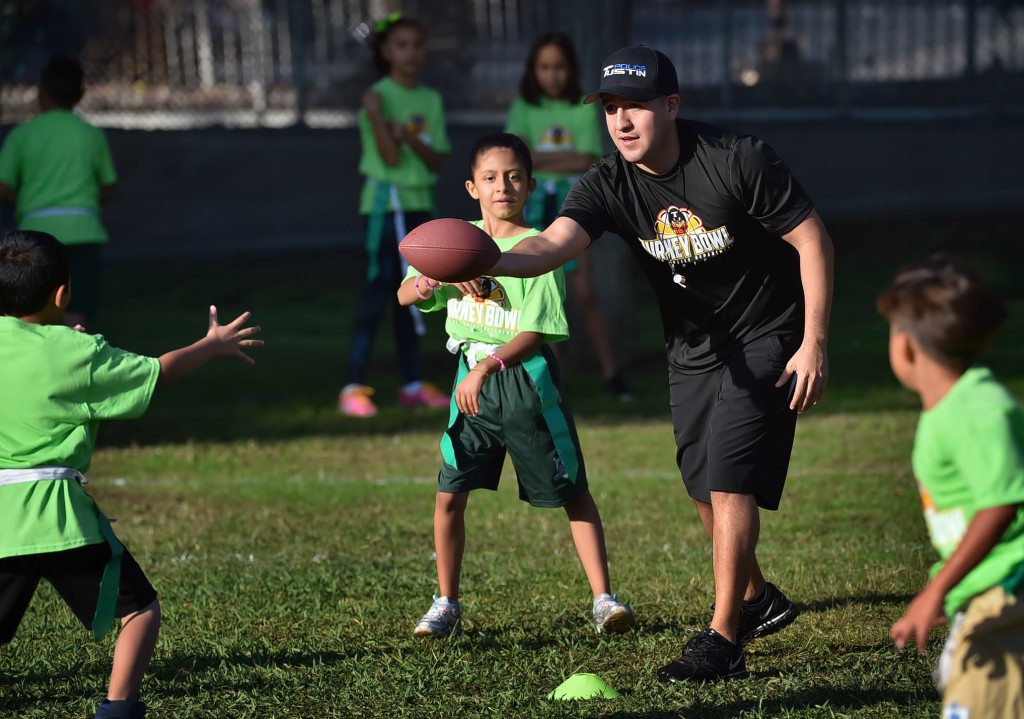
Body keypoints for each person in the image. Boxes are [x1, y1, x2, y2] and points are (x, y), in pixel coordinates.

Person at [489, 45, 834, 681]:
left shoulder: (736, 159)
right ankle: (759, 598)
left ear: (671, 106)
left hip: (768, 331)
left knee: (730, 478)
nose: (621, 121)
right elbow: (550, 246)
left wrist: (813, 340)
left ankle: (723, 638)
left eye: (636, 107)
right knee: (703, 490)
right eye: (611, 108)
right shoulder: (605, 183)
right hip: (693, 347)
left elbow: (812, 238)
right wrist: (487, 258)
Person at [0, 230, 263, 719]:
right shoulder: (78, 352)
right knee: (138, 611)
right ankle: (118, 710)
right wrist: (212, 344)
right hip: (59, 519)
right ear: (63, 293)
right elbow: (157, 372)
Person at [396, 133, 635, 637]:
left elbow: (539, 329)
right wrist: (429, 283)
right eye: (490, 177)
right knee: (449, 493)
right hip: (470, 387)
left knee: (572, 491)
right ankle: (446, 603)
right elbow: (404, 294)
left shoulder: (539, 248)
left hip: (524, 384)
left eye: (513, 177)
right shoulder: (453, 240)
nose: (502, 186)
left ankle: (604, 599)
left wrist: (490, 365)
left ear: (529, 185)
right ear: (471, 187)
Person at [878, 256, 1024, 719]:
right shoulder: (950, 407)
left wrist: (934, 591)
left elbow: (1001, 504)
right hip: (988, 591)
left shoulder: (977, 410)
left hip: (1008, 588)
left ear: (906, 347)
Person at [505, 32, 634, 401]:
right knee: (543, 295)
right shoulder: (524, 107)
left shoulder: (581, 107)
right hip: (532, 209)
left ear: (570, 69)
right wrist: (548, 161)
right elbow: (515, 157)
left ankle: (613, 375)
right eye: (544, 67)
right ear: (533, 71)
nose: (552, 75)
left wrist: (538, 159)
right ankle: (552, 381)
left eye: (559, 67)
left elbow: (585, 158)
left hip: (572, 205)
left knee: (583, 290)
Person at [340, 12, 451, 418]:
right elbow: (387, 157)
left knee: (417, 293)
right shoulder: (376, 97)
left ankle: (411, 383)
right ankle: (353, 385)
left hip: (420, 206)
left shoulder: (431, 100)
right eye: (401, 45)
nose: (411, 53)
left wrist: (408, 136)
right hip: (385, 211)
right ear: (385, 51)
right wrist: (377, 119)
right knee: (376, 295)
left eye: (417, 45)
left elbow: (436, 160)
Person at [0, 56, 117, 330]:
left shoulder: (23, 135)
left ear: (40, 91)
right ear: (82, 93)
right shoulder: (91, 134)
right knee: (77, 312)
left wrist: (27, 205)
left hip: (34, 237)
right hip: (84, 231)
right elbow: (108, 186)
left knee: (33, 309)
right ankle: (77, 363)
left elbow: (3, 187)